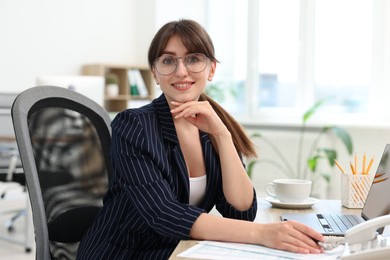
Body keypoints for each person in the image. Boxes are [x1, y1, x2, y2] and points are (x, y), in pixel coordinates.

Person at [77, 19, 324, 259]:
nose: (181, 71)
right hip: (124, 253)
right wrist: (262, 233)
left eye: (193, 59)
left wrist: (223, 136)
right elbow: (164, 214)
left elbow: (240, 212)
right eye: (168, 61)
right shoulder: (133, 125)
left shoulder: (213, 126)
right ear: (155, 72)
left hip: (180, 250)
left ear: (212, 69)